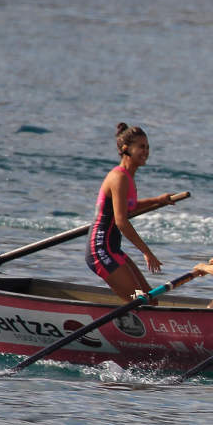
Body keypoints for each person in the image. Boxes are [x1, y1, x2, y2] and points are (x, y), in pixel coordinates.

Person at [85, 123, 176, 301]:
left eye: (148, 147)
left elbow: (129, 207)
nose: (146, 151)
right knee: (140, 301)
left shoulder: (128, 177)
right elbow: (121, 221)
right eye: (141, 147)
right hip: (101, 250)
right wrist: (147, 252)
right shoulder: (119, 178)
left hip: (112, 248)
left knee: (150, 300)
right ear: (126, 149)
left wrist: (158, 200)